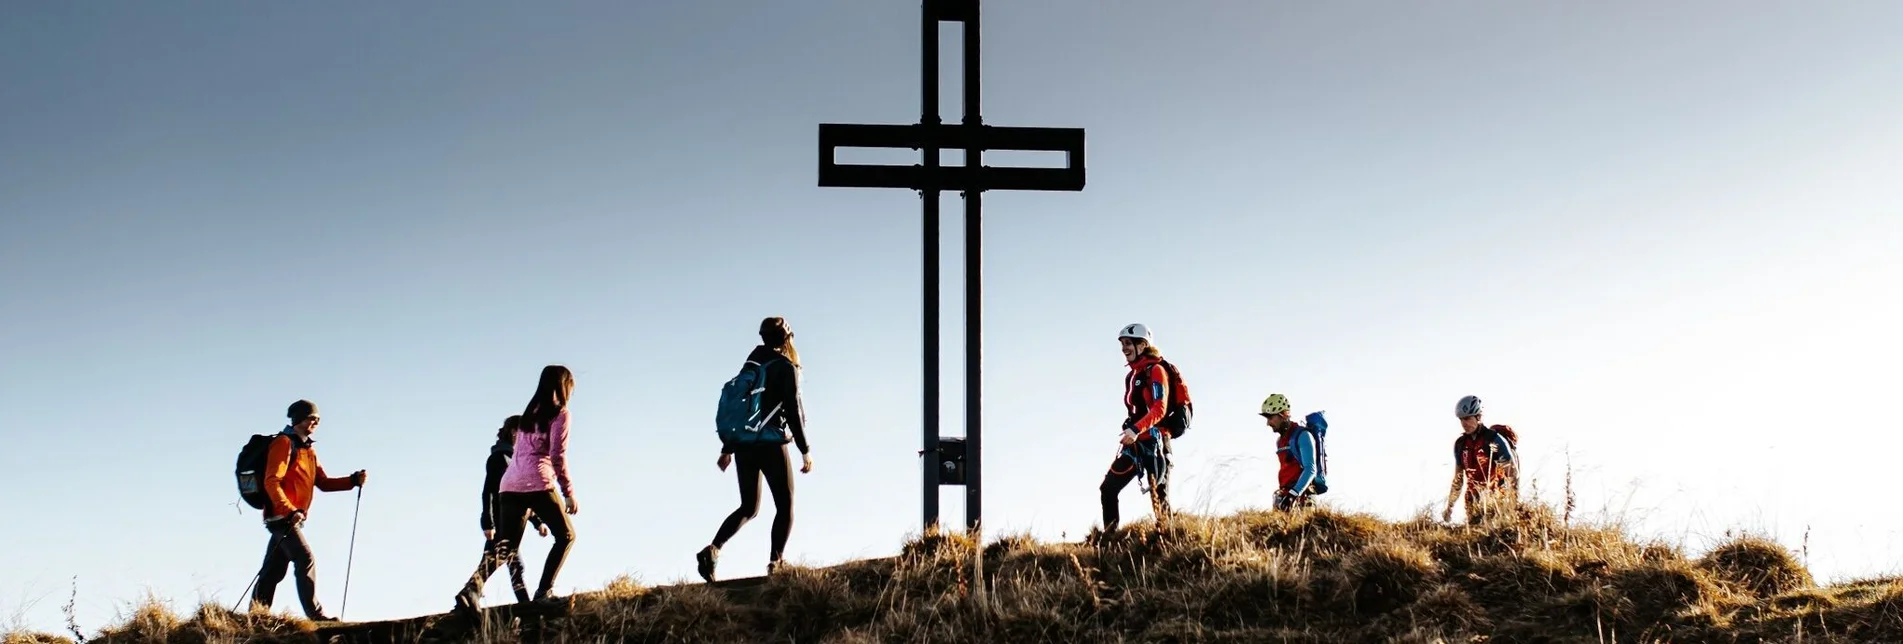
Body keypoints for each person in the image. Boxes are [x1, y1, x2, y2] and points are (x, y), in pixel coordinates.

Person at [455, 366, 578, 613]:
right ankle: (544, 591)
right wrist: (568, 492)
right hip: (537, 482)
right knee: (566, 536)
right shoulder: (561, 414)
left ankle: (471, 590)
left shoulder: (528, 414)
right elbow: (557, 455)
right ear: (564, 388)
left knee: (506, 546)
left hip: (510, 486)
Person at [698, 316, 813, 582]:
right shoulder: (786, 367)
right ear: (786, 339)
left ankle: (713, 549)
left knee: (748, 507)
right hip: (772, 444)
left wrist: (727, 448)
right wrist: (805, 450)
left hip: (744, 446)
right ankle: (776, 562)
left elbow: (739, 407)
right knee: (785, 505)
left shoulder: (750, 364)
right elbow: (793, 410)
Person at [251, 399, 366, 621]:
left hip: (293, 518)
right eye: (311, 417)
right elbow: (271, 481)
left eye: (317, 419)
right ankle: (316, 615)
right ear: (298, 419)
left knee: (273, 571)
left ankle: (256, 616)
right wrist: (289, 509)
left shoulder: (309, 451)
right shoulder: (284, 443)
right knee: (305, 558)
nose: (315, 421)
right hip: (281, 516)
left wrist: (352, 481)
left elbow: (322, 482)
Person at [1098, 323, 1173, 533]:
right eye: (1122, 344)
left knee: (1159, 498)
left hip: (1156, 443)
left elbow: (1160, 408)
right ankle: (1110, 541)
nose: (1124, 349)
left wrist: (1135, 429)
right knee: (1108, 489)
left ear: (1143, 345)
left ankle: (1167, 541)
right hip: (1136, 444)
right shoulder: (1131, 376)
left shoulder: (1156, 370)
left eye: (1128, 343)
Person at [478, 415, 548, 604]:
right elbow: (488, 492)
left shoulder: (514, 460)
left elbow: (522, 497)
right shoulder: (499, 458)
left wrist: (537, 522)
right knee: (508, 563)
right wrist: (488, 522)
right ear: (514, 432)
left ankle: (469, 595)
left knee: (502, 563)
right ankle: (525, 606)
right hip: (501, 521)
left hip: (511, 520)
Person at [1442, 395, 1520, 524]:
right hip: (1472, 500)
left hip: (1495, 499)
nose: (1464, 423)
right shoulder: (1460, 444)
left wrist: (1513, 506)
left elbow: (1513, 474)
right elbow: (1458, 480)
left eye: (1467, 418)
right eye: (1461, 419)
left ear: (1478, 417)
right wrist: (1449, 507)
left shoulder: (1494, 439)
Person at [1261, 393, 1321, 512]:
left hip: (1303, 499)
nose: (1268, 423)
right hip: (1285, 497)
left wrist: (1293, 495)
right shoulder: (1280, 441)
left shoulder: (1303, 435)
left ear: (1283, 415)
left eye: (1270, 418)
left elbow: (1310, 469)